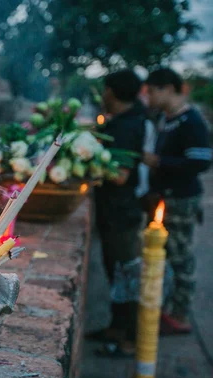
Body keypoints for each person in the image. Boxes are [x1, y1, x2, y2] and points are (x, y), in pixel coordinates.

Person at [144, 68, 211, 334]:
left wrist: (160, 162)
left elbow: (201, 161)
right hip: (165, 198)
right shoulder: (166, 118)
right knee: (166, 255)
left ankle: (180, 315)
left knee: (181, 257)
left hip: (182, 200)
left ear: (168, 89)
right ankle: (166, 309)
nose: (148, 98)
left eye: (151, 92)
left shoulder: (191, 121)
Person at [94, 69, 146, 357]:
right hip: (113, 212)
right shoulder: (123, 122)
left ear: (112, 91)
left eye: (105, 90)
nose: (103, 95)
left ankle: (129, 341)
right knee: (115, 274)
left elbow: (121, 175)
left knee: (126, 277)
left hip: (122, 215)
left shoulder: (127, 126)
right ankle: (115, 329)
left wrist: (89, 159)